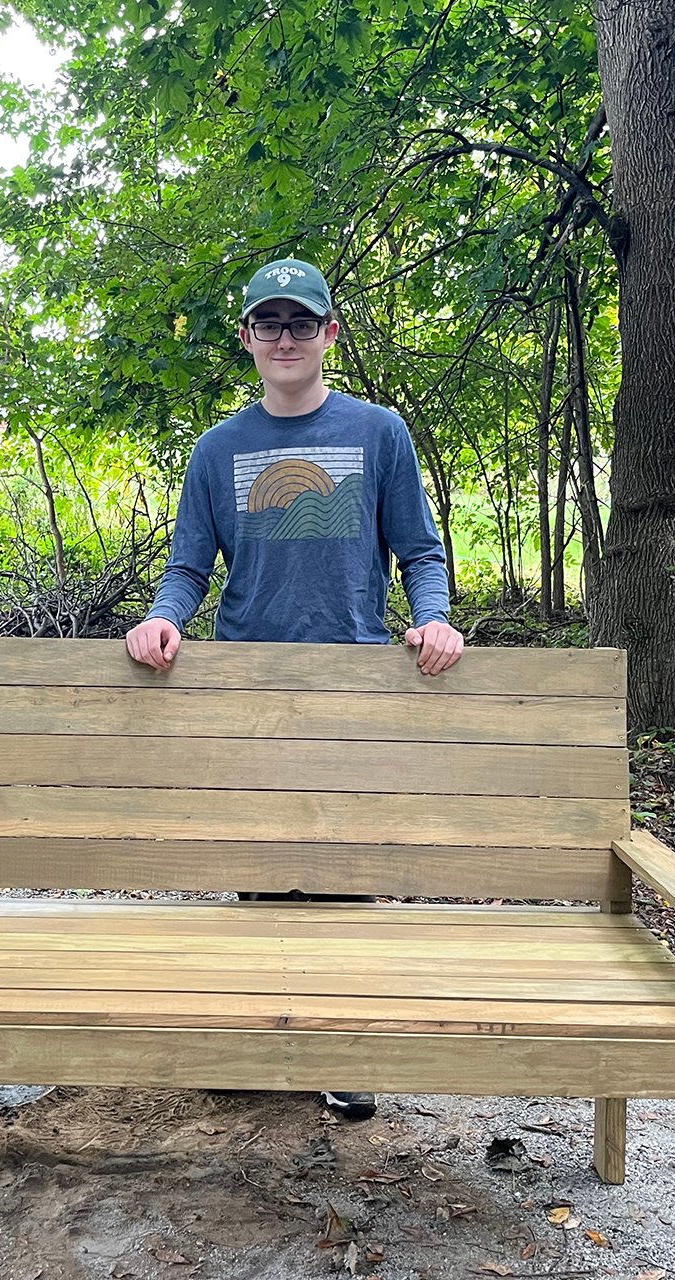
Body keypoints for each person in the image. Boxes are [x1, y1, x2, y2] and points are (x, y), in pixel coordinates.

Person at [124, 256, 466, 1121]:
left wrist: (434, 617)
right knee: (260, 868)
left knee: (347, 871)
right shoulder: (220, 448)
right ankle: (259, 1036)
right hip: (247, 684)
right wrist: (162, 619)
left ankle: (343, 1045)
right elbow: (188, 566)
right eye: (269, 324)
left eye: (302, 323)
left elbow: (421, 551)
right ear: (246, 338)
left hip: (355, 680)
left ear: (329, 335)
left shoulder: (379, 432)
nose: (286, 338)